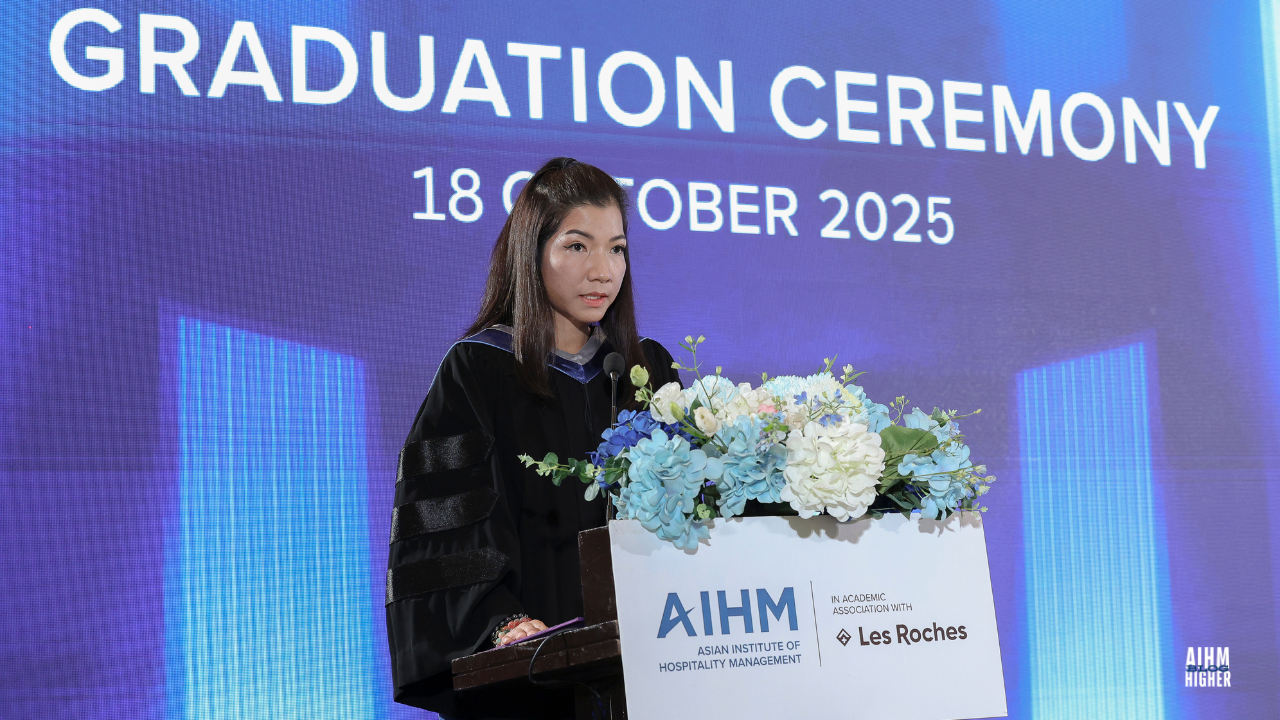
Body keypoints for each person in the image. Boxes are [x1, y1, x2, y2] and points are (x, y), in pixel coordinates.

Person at [385, 157, 680, 719]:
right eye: (577, 246)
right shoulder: (479, 369)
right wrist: (499, 621)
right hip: (532, 677)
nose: (603, 271)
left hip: (654, 662)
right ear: (531, 251)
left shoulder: (646, 370)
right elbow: (445, 526)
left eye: (617, 248)